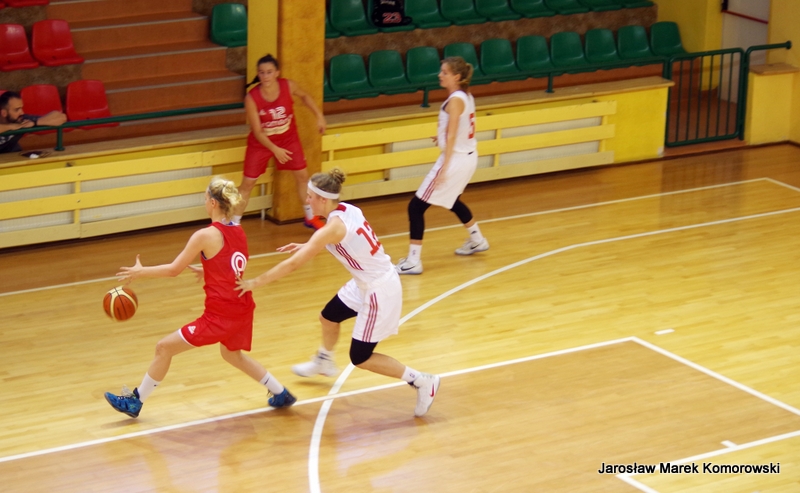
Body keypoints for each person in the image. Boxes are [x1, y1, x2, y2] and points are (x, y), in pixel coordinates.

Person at [235, 169, 441, 417]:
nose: (307, 200)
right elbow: (348, 242)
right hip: (365, 281)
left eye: (310, 196)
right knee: (329, 317)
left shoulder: (331, 228)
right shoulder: (348, 210)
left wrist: (254, 282)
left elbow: (293, 264)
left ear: (323, 199)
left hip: (378, 290)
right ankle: (324, 360)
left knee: (360, 357)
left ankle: (421, 380)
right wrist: (309, 244)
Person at [104, 177, 296, 418]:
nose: (204, 202)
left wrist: (141, 272)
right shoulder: (238, 230)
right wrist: (208, 270)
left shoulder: (204, 235)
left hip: (220, 315)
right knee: (232, 355)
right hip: (242, 306)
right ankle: (280, 392)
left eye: (205, 199)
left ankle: (136, 401)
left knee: (164, 348)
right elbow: (234, 264)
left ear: (213, 203)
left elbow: (173, 270)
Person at [395, 57, 489, 275]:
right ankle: (478, 239)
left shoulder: (455, 100)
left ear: (456, 77)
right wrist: (442, 137)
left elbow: (453, 134)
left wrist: (443, 168)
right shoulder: (466, 95)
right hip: (468, 156)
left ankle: (413, 261)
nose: (440, 75)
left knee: (416, 207)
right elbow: (458, 129)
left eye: (444, 72)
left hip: (454, 160)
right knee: (453, 200)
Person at [232, 54, 328, 230]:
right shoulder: (251, 98)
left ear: (277, 72)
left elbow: (305, 96)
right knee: (247, 184)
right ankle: (233, 225)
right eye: (262, 73)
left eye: (269, 72)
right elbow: (258, 131)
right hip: (261, 143)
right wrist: (275, 149)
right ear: (258, 74)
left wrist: (319, 116)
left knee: (302, 176)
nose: (265, 76)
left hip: (288, 139)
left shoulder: (288, 85)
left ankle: (310, 217)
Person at [0, 91, 67, 154]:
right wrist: (10, 127)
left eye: (21, 108)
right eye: (17, 110)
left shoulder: (22, 120)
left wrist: (36, 122)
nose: (22, 112)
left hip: (12, 154)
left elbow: (62, 117)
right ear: (4, 113)